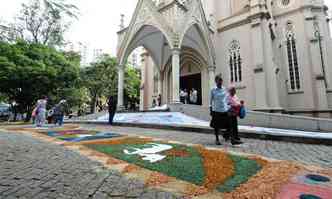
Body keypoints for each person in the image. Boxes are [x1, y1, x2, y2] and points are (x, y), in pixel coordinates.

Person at [209, 76, 242, 146]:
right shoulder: (213, 90)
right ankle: (217, 139)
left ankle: (232, 139)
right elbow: (211, 100)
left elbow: (227, 97)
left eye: (221, 81)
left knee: (230, 124)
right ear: (216, 81)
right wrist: (210, 109)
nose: (220, 82)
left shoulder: (224, 89)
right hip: (216, 110)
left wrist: (230, 105)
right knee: (216, 126)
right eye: (219, 81)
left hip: (225, 109)